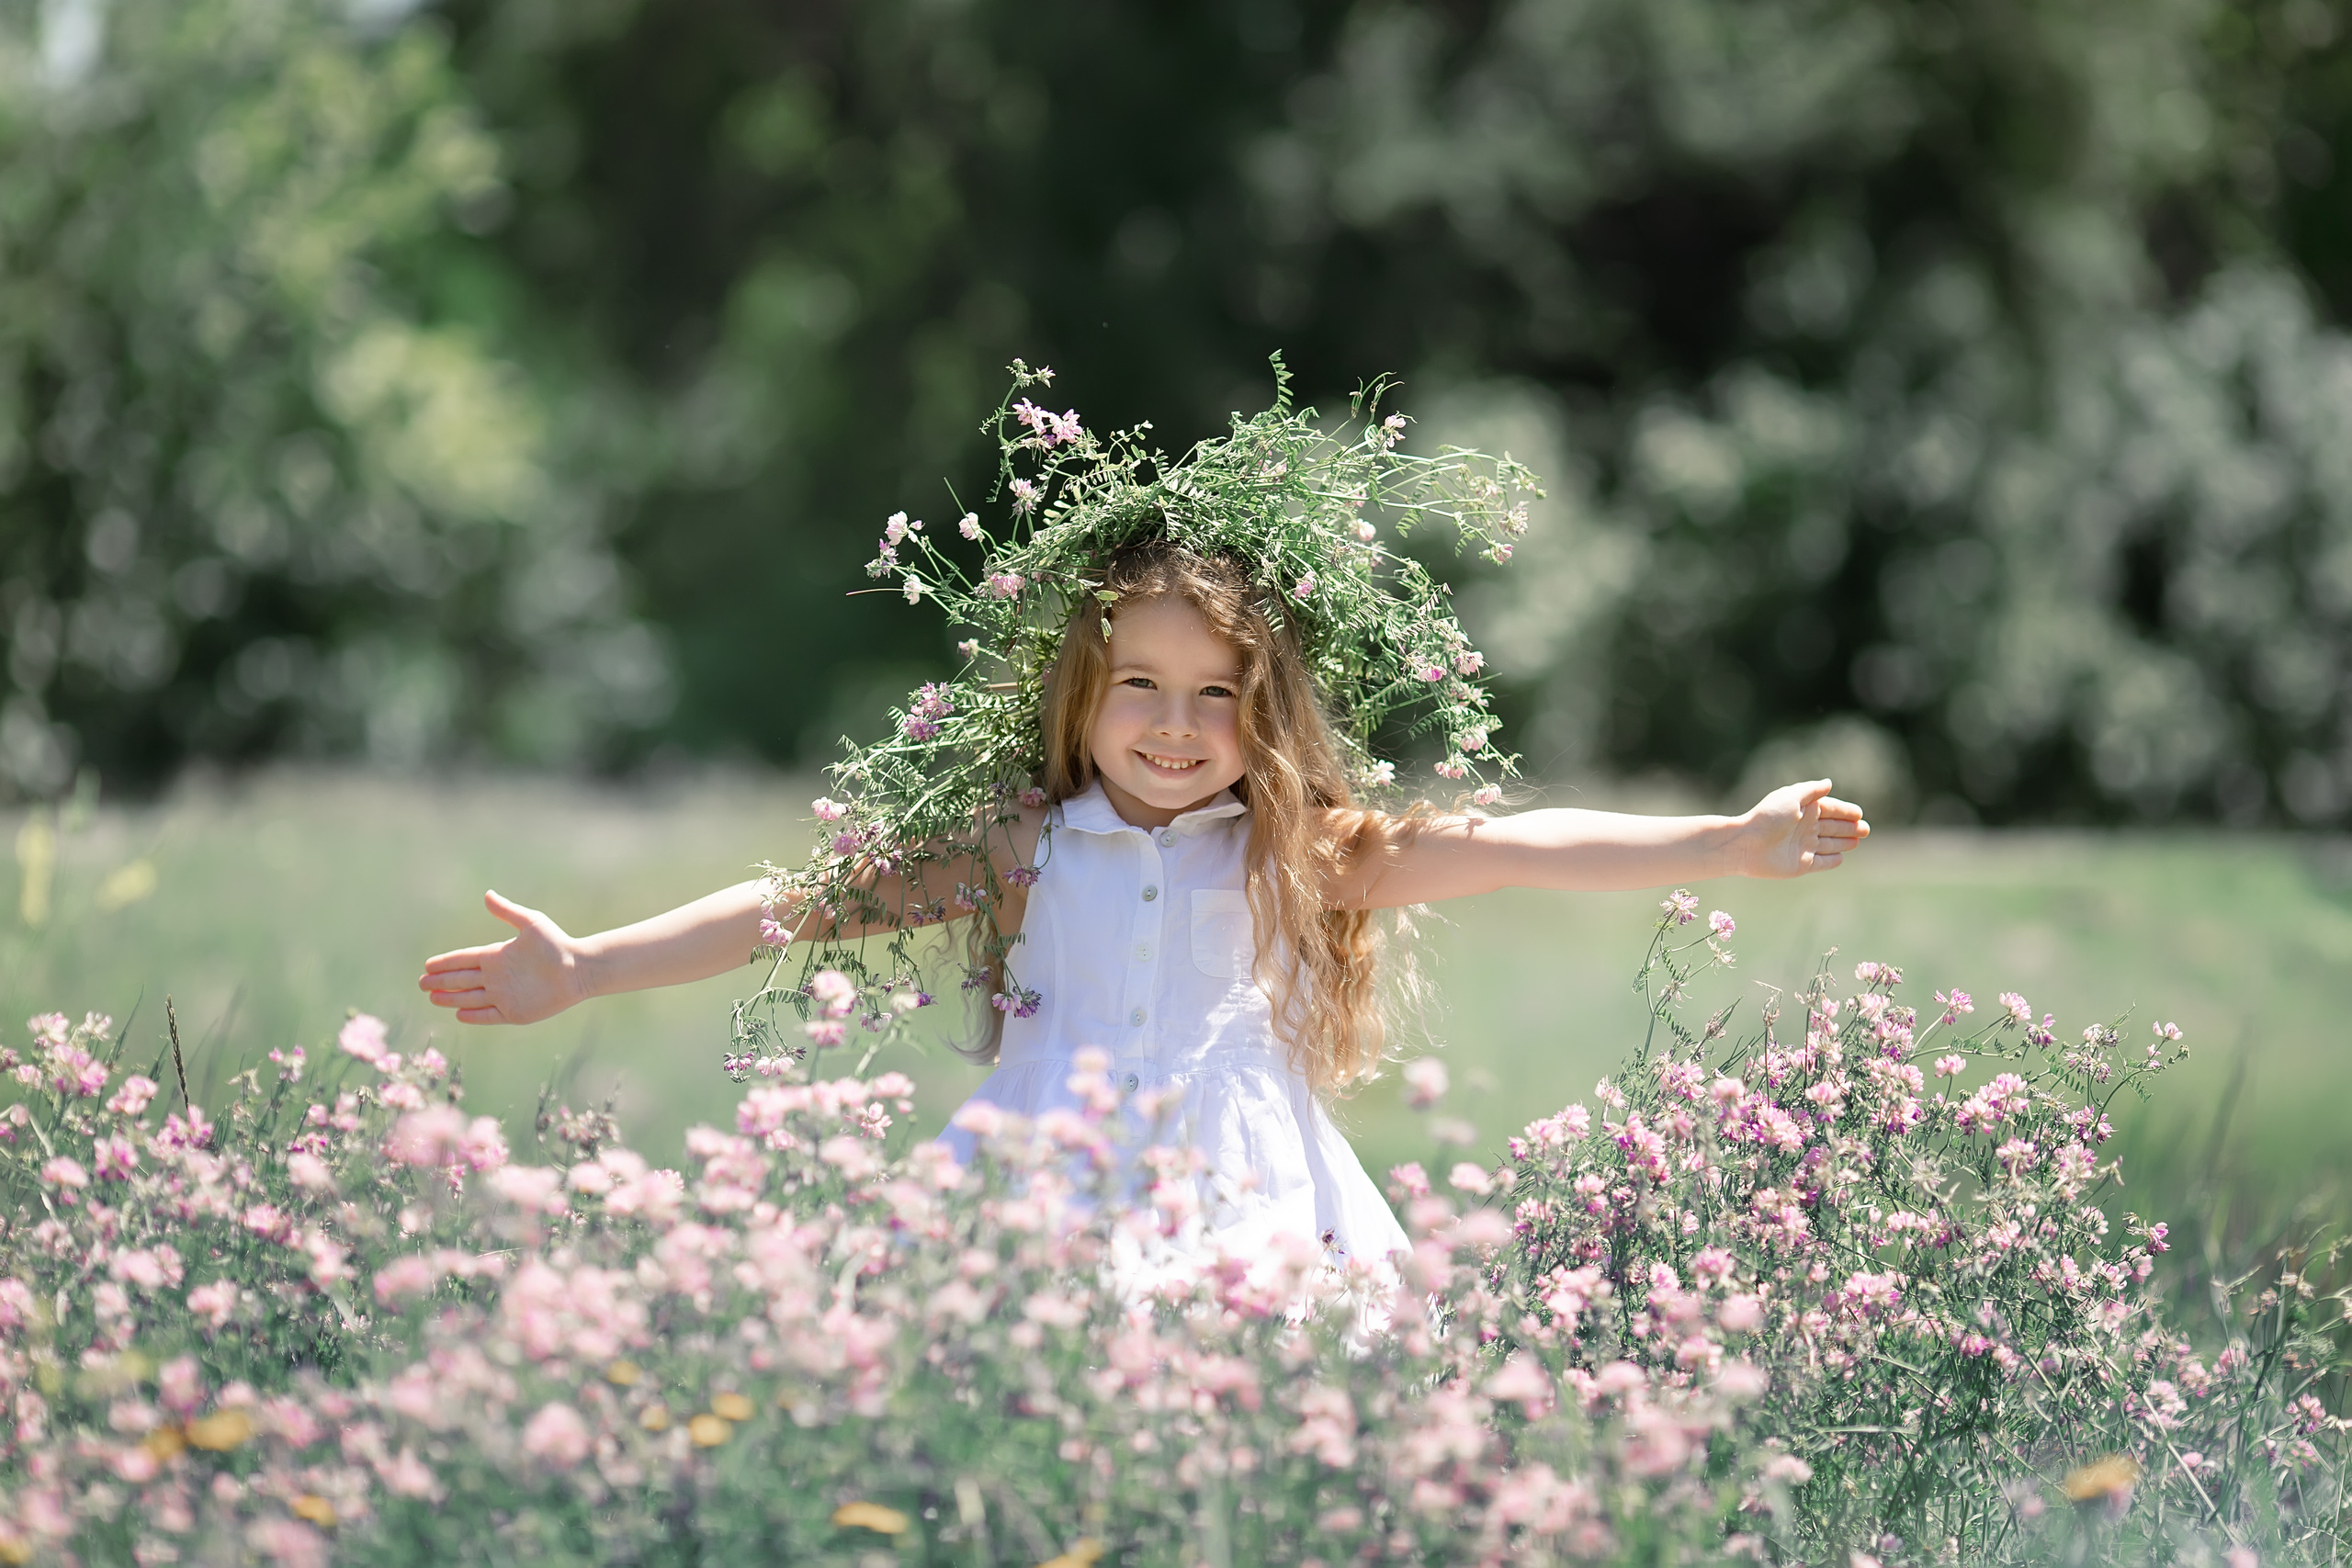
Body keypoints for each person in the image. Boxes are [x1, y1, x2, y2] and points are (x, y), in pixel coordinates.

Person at [416, 368, 1870, 1274]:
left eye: (1219, 695)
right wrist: (592, 965)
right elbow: (793, 905)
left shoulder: (1302, 854)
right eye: (1141, 687)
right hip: (1040, 1175)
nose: (1176, 726)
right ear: (1084, 692)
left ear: (1269, 709)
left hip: (1249, 1187)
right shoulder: (1020, 845)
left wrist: (1727, 843)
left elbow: (1526, 842)